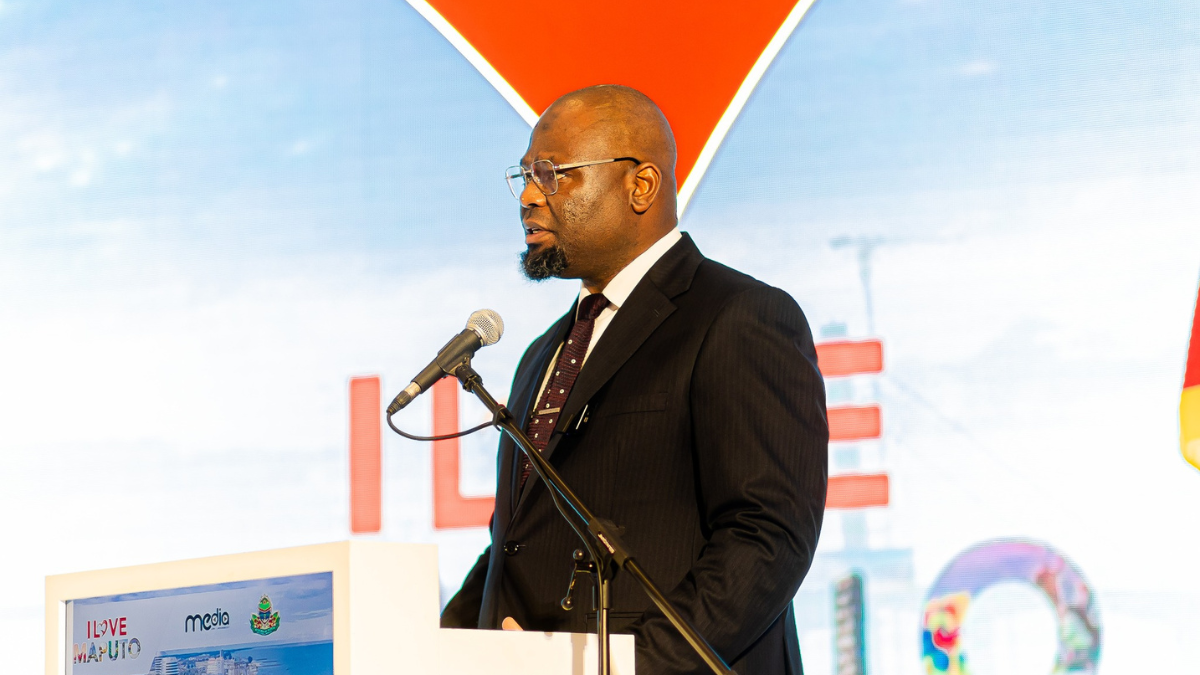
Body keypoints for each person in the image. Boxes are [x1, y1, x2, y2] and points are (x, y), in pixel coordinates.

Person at [441, 84, 828, 675]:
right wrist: (437, 647)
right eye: (524, 175)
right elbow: (515, 547)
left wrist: (625, 666)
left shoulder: (739, 317)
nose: (528, 197)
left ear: (641, 185)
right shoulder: (543, 354)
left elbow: (766, 540)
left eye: (552, 174)